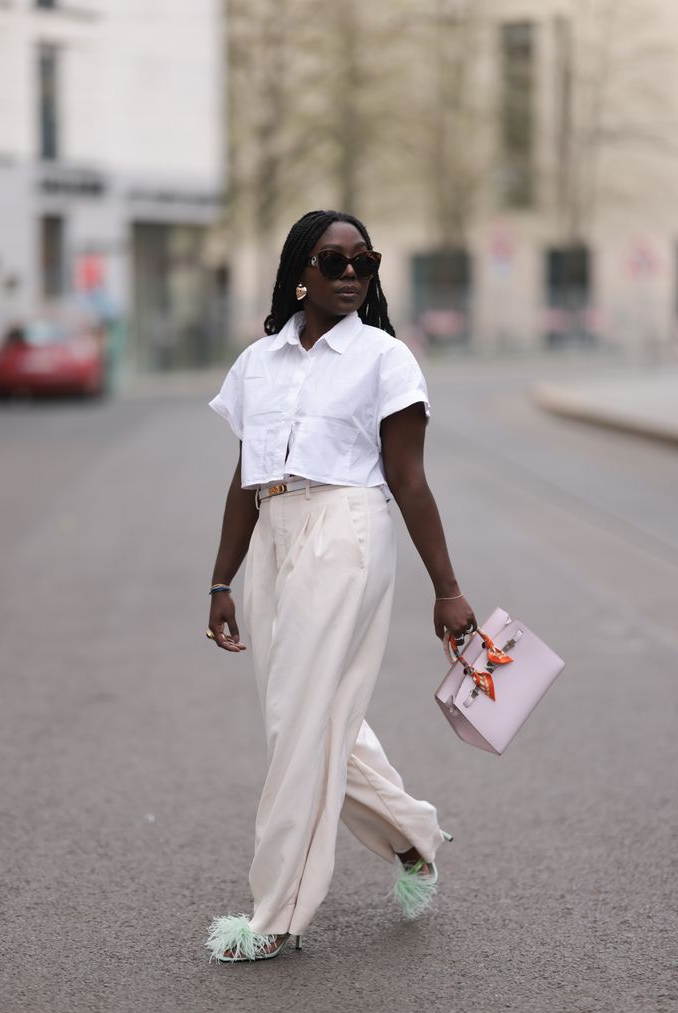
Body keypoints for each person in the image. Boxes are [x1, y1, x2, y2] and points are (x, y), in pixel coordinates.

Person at [204, 210, 476, 964]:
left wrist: (446, 590)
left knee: (298, 719)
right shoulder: (256, 363)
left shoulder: (386, 359)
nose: (352, 273)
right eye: (334, 260)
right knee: (306, 716)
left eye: (365, 260)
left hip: (347, 531)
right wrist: (220, 578)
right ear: (301, 270)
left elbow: (409, 479)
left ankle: (276, 914)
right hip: (273, 532)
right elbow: (242, 477)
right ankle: (412, 831)